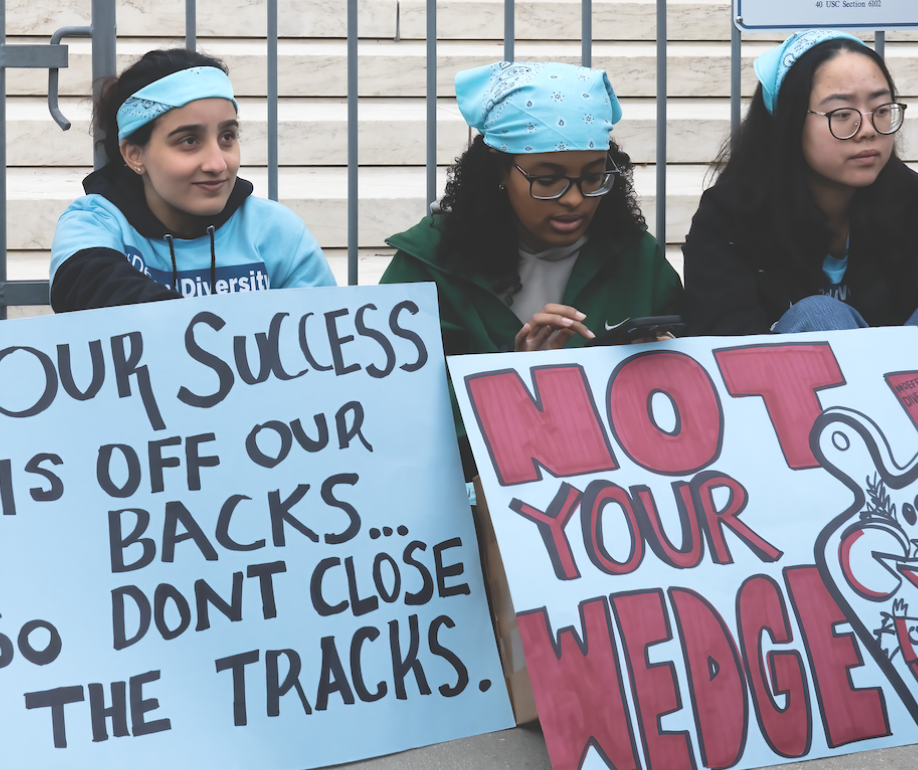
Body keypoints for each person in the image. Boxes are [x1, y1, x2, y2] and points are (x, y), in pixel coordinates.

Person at [380, 61, 681, 478]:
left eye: (594, 177)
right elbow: (397, 414)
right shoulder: (425, 265)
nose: (574, 200)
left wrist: (672, 360)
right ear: (499, 172)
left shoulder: (637, 257)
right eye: (548, 179)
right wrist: (514, 383)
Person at [49, 49, 335, 311]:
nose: (217, 163)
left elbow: (324, 334)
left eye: (227, 137)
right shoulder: (95, 222)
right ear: (135, 154)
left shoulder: (277, 232)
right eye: (189, 141)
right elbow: (86, 282)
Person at [683, 30, 918, 335]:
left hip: (900, 379)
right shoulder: (729, 218)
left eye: (882, 109)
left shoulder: (910, 200)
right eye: (843, 113)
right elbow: (729, 341)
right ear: (788, 120)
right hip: (784, 379)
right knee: (818, 317)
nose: (868, 129)